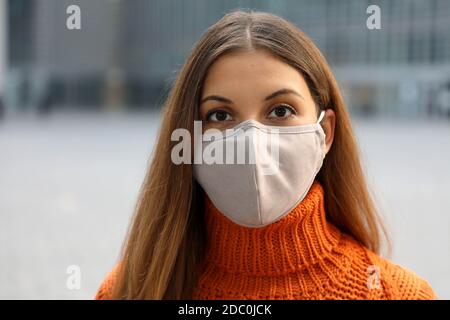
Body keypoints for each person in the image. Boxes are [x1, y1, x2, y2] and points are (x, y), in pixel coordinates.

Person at [95, 10, 437, 300]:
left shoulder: (396, 293)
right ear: (189, 139)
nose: (252, 141)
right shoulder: (130, 289)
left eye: (281, 110)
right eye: (219, 115)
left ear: (326, 132)